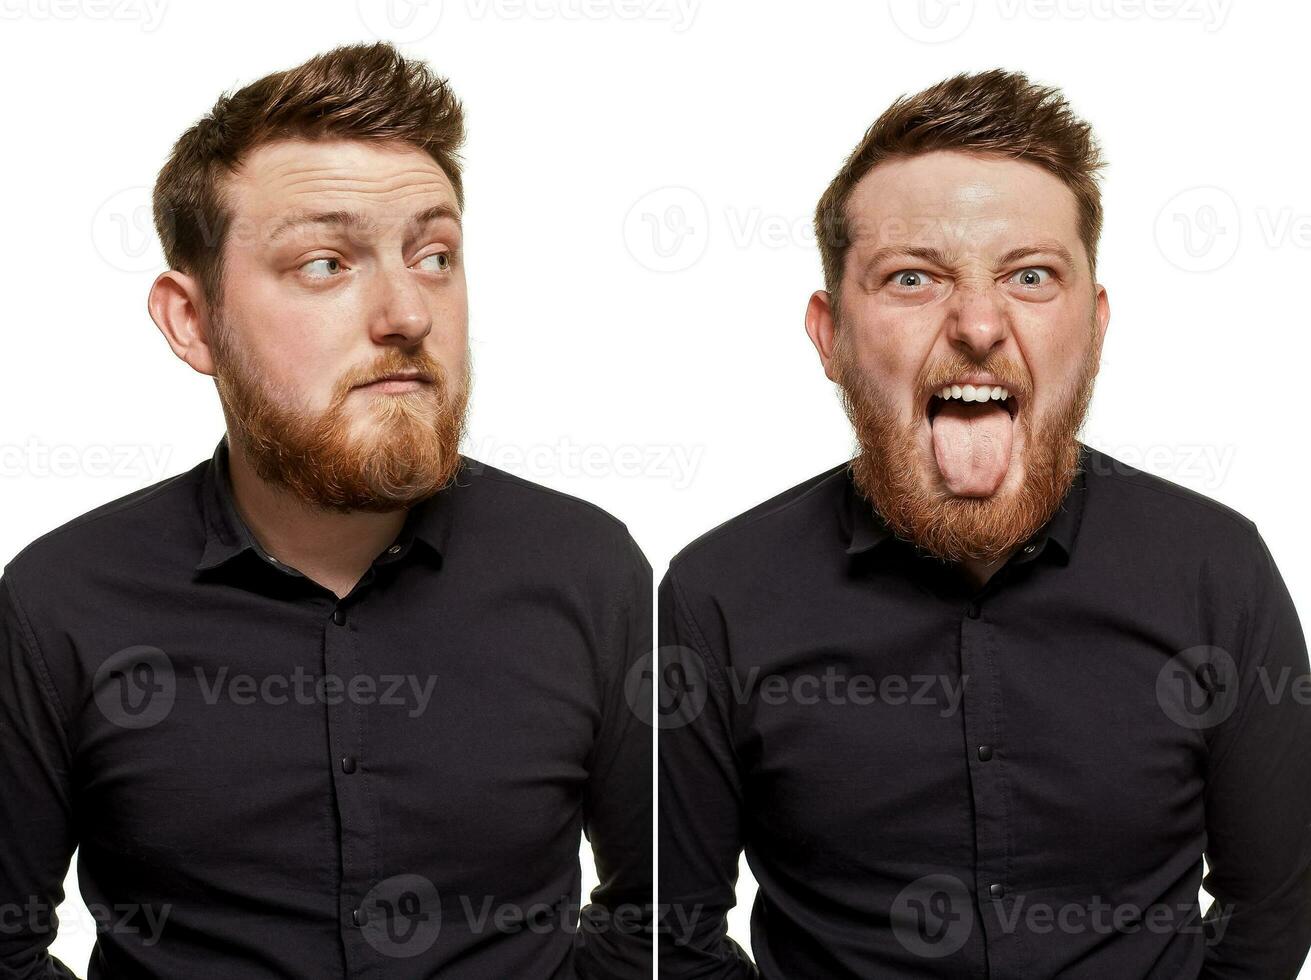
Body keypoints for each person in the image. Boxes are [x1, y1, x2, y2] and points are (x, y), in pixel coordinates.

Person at [0, 41, 650, 979]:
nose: (406, 313)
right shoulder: (59, 602)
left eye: (433, 256)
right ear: (193, 322)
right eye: (323, 263)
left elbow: (658, 915)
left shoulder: (589, 571)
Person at [658, 68, 1311, 978]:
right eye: (912, 277)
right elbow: (674, 933)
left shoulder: (1216, 571)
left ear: (1092, 325)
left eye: (1031, 276)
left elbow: (1268, 911)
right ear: (829, 336)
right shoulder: (713, 595)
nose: (975, 323)